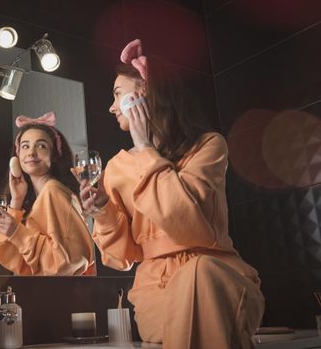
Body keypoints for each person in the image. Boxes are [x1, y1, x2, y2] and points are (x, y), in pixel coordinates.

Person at [78, 39, 265, 348]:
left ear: (146, 93)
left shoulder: (208, 146)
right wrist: (103, 212)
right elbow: (122, 259)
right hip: (156, 292)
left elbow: (188, 223)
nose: (111, 107)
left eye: (117, 94)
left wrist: (146, 148)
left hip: (219, 280)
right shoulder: (116, 169)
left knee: (200, 271)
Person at [0, 112, 95, 276]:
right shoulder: (39, 197)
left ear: (54, 155)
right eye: (25, 146)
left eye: (41, 146)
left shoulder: (54, 191)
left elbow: (66, 264)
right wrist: (16, 201)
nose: (31, 152)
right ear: (17, 157)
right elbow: (14, 261)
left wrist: (17, 232)